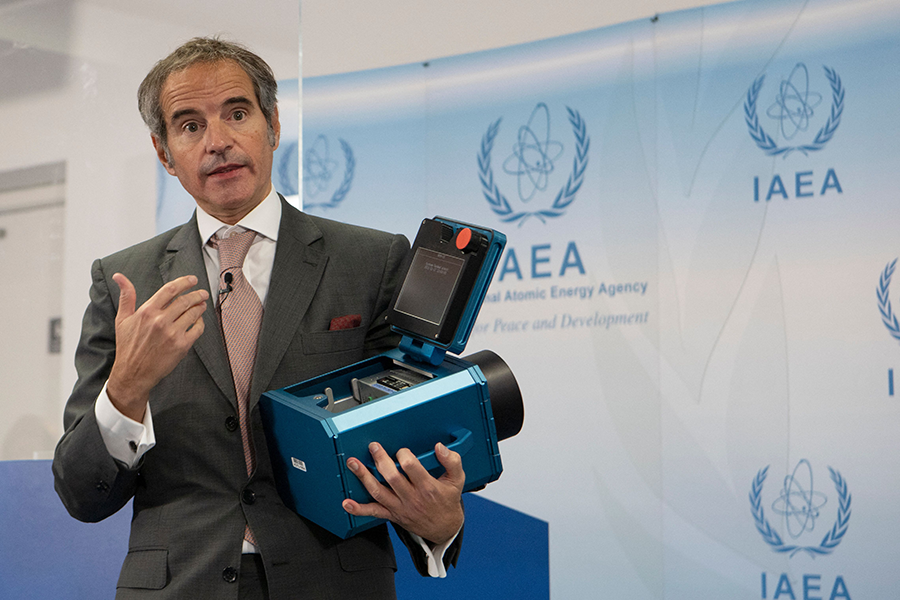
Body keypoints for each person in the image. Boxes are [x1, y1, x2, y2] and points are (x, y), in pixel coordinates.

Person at [52, 37, 464, 600]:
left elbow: (413, 436)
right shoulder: (124, 282)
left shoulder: (372, 261)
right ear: (164, 151)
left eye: (237, 114)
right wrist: (126, 387)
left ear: (272, 125)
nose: (217, 142)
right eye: (190, 125)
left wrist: (440, 527)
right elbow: (81, 493)